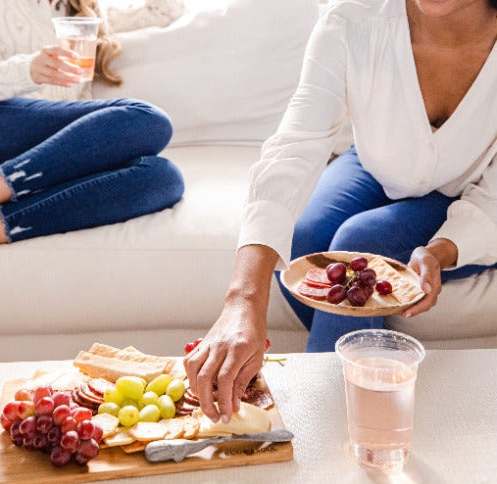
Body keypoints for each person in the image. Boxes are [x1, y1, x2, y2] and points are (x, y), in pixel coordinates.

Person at [184, 0, 497, 424]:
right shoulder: (353, 16)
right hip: (373, 164)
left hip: (471, 191)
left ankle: (323, 431)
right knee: (300, 242)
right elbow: (296, 145)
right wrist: (242, 299)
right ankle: (368, 364)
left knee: (357, 247)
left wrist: (443, 250)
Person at [0, 0, 184, 243]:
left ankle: (4, 226)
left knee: (164, 178)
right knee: (150, 120)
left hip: (49, 153)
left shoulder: (79, 10)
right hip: (7, 124)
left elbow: (166, 10)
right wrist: (27, 70)